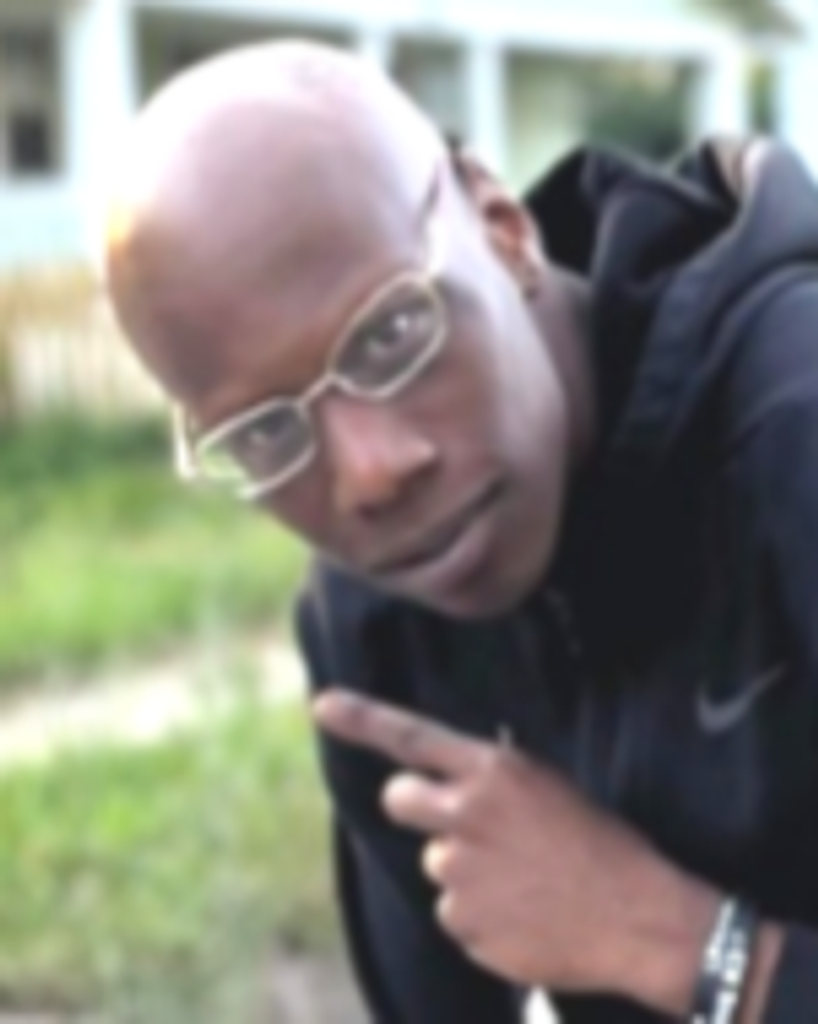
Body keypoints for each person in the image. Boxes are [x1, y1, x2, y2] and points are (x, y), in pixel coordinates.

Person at [103, 39, 818, 1024]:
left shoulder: (791, 432)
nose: (369, 474)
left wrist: (670, 942)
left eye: (392, 334)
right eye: (265, 433)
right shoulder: (373, 621)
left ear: (503, 229)